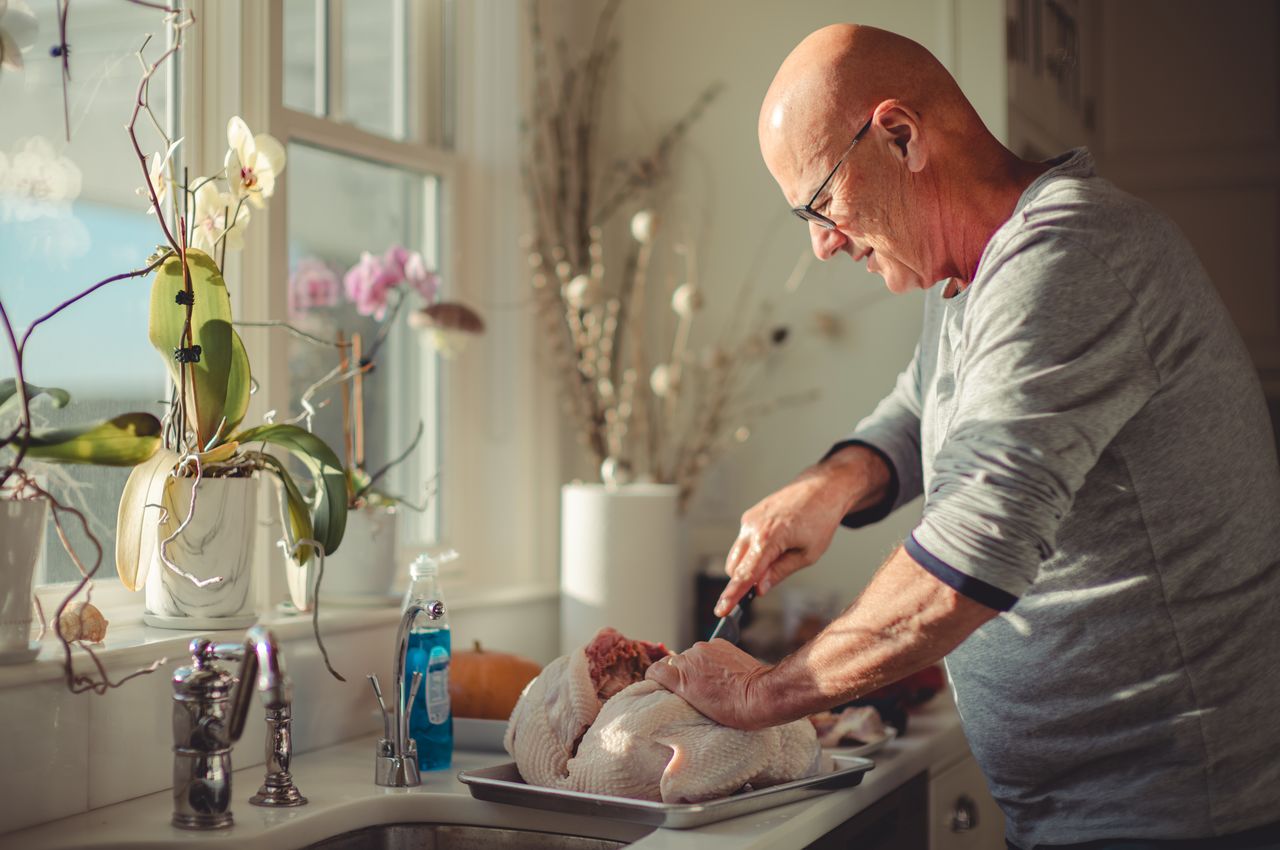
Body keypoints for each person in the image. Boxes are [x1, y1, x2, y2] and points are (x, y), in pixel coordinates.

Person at [644, 23, 1280, 850]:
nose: (823, 242)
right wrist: (831, 484)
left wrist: (766, 694)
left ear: (901, 135)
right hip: (1090, 811)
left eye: (821, 201)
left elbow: (970, 559)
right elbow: (922, 406)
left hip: (1178, 811)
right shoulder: (973, 276)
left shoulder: (1067, 257)